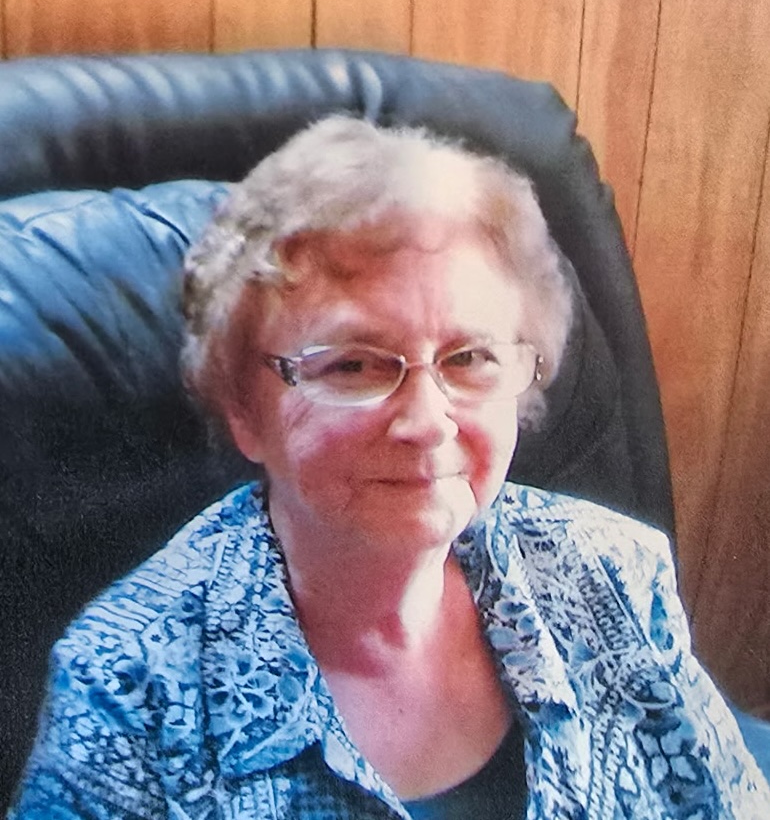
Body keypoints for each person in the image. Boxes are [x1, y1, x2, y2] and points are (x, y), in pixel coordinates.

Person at [9, 116, 769, 819]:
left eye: (469, 358)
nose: (426, 421)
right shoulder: (126, 693)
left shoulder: (609, 570)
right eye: (353, 365)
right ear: (244, 408)